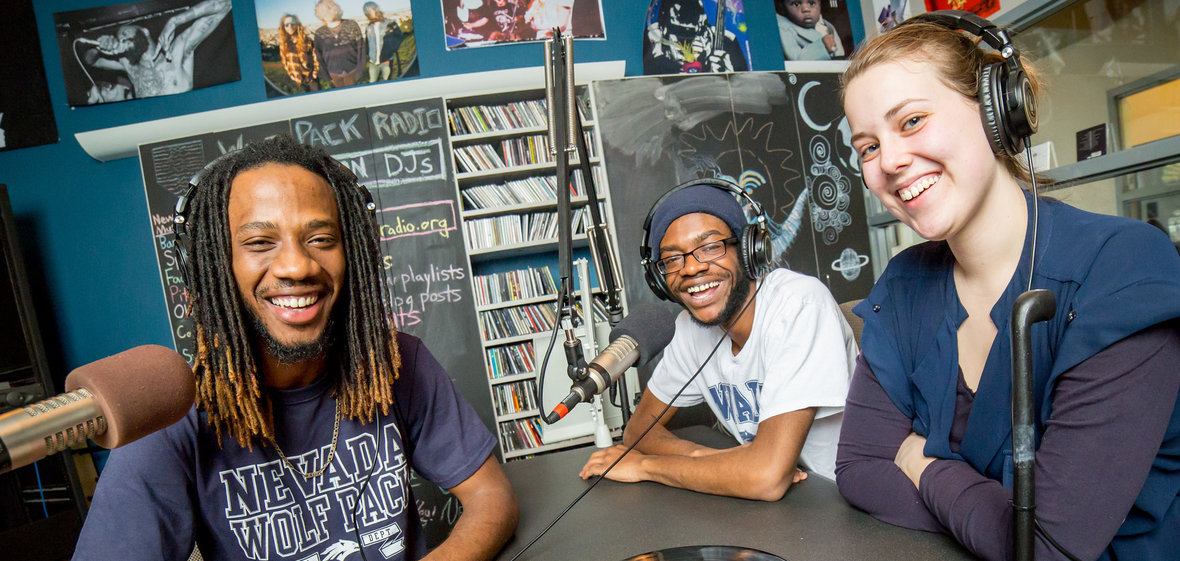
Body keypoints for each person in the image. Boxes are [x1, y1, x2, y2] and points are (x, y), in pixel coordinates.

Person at [73, 136, 519, 560]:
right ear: (213, 267)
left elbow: (490, 495)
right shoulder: (167, 417)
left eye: (320, 239)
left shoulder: (398, 362)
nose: (296, 265)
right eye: (259, 243)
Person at [837, 15, 1180, 561]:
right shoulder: (903, 284)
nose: (891, 162)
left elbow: (1044, 546)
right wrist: (993, 514)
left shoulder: (1123, 268)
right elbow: (858, 469)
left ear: (998, 112)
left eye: (913, 121)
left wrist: (919, 464)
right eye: (868, 147)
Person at [578, 180, 858, 500]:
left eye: (711, 246)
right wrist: (712, 459)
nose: (692, 268)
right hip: (770, 508)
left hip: (840, 504)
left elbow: (766, 478)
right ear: (659, 278)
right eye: (672, 259)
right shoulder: (689, 328)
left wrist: (646, 467)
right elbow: (638, 429)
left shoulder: (799, 305)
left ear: (750, 249)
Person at [81, 0, 231, 101]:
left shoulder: (178, 51)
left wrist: (175, 20)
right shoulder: (129, 66)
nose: (121, 38)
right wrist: (98, 47)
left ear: (144, 31)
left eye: (125, 33)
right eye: (119, 38)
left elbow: (226, 3)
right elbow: (91, 61)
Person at [312, 0, 366, 88]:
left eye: (327, 10)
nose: (326, 14)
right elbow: (319, 56)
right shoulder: (319, 33)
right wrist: (326, 76)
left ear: (335, 9)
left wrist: (360, 71)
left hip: (352, 71)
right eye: (322, 11)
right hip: (334, 75)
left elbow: (361, 48)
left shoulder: (351, 25)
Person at [776, 0, 844, 61]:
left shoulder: (826, 25)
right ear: (783, 7)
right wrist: (823, 46)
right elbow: (795, 58)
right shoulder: (784, 28)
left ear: (819, 4)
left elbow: (840, 55)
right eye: (796, 4)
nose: (806, 9)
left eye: (811, 3)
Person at [362, 2, 406, 82]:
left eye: (370, 10)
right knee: (372, 82)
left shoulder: (390, 23)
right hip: (373, 63)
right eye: (366, 11)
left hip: (386, 61)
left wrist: (390, 50)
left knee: (387, 82)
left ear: (376, 9)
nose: (368, 13)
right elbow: (367, 43)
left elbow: (399, 37)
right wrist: (368, 54)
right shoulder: (368, 27)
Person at [277, 14, 320, 93]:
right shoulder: (283, 44)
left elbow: (316, 58)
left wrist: (314, 74)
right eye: (286, 24)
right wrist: (292, 75)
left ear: (297, 25)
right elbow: (284, 62)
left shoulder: (307, 41)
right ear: (283, 27)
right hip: (298, 80)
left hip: (311, 79)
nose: (290, 26)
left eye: (292, 23)